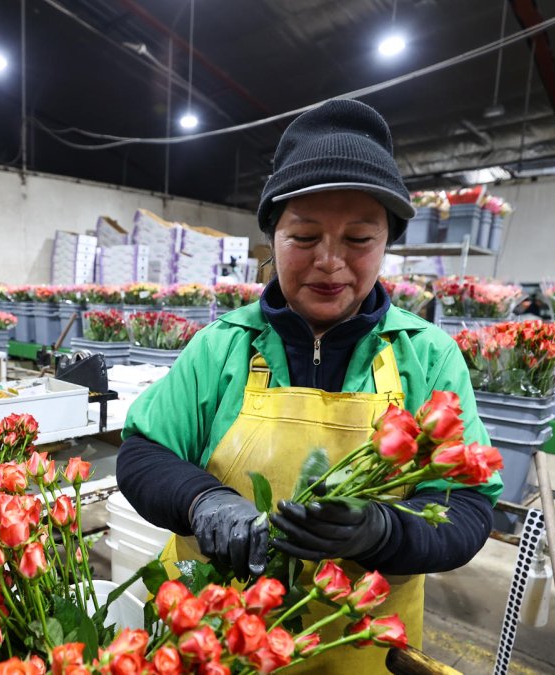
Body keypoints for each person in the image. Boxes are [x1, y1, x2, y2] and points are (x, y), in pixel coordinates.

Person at [116, 100, 500, 673]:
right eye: (305, 236)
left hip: (354, 646)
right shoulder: (221, 346)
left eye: (358, 239)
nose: (329, 262)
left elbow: (466, 506)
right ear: (272, 237)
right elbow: (144, 455)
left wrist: (383, 530)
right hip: (211, 636)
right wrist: (204, 502)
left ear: (387, 242)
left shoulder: (428, 357)